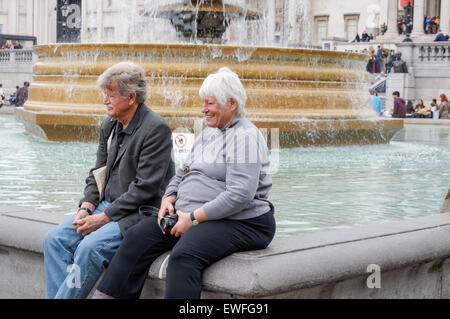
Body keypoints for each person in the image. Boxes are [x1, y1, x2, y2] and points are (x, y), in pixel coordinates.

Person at [91, 67, 276, 299]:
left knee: (185, 255)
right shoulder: (209, 133)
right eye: (203, 103)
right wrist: (168, 198)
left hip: (243, 222)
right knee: (137, 237)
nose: (203, 109)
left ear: (231, 104)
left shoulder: (246, 137)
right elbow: (183, 173)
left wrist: (193, 218)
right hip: (190, 214)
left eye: (209, 103)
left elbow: (239, 195)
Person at [42, 61, 175, 299]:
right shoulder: (109, 125)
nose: (105, 101)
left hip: (136, 213)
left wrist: (103, 218)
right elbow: (97, 172)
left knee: (89, 248)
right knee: (54, 241)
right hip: (105, 207)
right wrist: (87, 206)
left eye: (110, 95)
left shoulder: (156, 129)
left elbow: (145, 189)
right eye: (105, 94)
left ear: (132, 97)